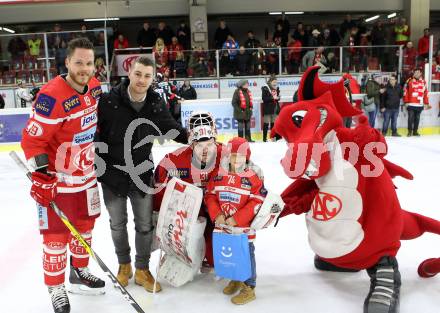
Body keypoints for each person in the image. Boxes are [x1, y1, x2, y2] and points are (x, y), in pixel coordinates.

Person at [21, 37, 105, 313]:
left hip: (87, 175)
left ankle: (79, 271)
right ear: (67, 62)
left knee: (85, 228)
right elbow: (32, 142)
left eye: (89, 63)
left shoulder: (94, 87)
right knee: (55, 237)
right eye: (78, 62)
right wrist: (43, 177)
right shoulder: (51, 96)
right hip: (59, 179)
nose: (84, 68)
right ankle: (55, 288)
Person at [96, 56, 188, 293]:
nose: (142, 80)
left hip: (142, 172)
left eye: (147, 76)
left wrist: (197, 138)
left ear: (152, 78)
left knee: (145, 225)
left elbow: (172, 128)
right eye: (138, 74)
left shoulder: (156, 103)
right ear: (130, 73)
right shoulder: (108, 100)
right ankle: (124, 265)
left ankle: (142, 269)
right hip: (112, 173)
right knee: (117, 224)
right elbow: (93, 132)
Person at [153, 111, 227, 271]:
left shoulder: (229, 156)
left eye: (209, 144)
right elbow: (158, 195)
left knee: (217, 261)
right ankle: (176, 251)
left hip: (218, 213)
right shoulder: (172, 161)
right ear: (191, 144)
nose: (205, 150)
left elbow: (249, 183)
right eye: (199, 145)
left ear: (216, 140)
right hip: (190, 216)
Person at [205, 137, 265, 305]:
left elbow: (258, 200)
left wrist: (238, 219)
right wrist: (217, 214)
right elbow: (210, 195)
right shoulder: (218, 175)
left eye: (241, 156)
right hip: (224, 226)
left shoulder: (253, 176)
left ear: (246, 157)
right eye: (233, 155)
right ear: (228, 156)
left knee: (246, 253)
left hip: (243, 228)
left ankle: (249, 287)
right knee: (231, 253)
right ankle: (237, 279)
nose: (237, 159)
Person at [403, 68, 430, 136]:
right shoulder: (409, 81)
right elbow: (405, 92)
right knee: (410, 118)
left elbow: (426, 93)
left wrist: (426, 103)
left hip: (419, 104)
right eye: (416, 72)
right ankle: (409, 131)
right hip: (411, 104)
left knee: (417, 119)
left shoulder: (424, 82)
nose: (417, 74)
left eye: (418, 72)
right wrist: (406, 101)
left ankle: (415, 131)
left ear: (421, 73)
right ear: (414, 73)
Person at [261, 76, 280, 142]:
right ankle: (264, 139)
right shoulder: (265, 88)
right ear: (270, 81)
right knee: (266, 124)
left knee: (273, 124)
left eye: (276, 82)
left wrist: (278, 98)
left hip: (275, 108)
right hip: (268, 109)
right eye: (274, 82)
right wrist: (273, 98)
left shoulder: (276, 88)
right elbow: (264, 98)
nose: (275, 83)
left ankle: (273, 138)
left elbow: (277, 99)